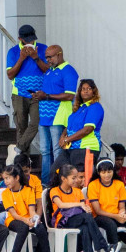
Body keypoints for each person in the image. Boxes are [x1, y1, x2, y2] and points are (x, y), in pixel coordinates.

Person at [35, 43, 77, 184]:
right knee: (45, 152)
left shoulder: (68, 70)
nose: (48, 60)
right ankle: (46, 183)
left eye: (50, 57)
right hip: (45, 117)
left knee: (57, 151)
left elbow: (70, 95)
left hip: (58, 117)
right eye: (46, 57)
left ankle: (58, 182)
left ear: (59, 54)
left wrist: (46, 96)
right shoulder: (50, 70)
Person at [5, 25, 48, 163]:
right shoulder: (13, 52)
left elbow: (47, 71)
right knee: (21, 126)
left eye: (32, 39)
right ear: (20, 39)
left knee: (35, 123)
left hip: (38, 94)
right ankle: (24, 160)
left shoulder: (43, 48)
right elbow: (10, 75)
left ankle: (17, 150)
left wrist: (36, 58)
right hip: (19, 94)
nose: (30, 42)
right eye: (27, 40)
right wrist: (21, 58)